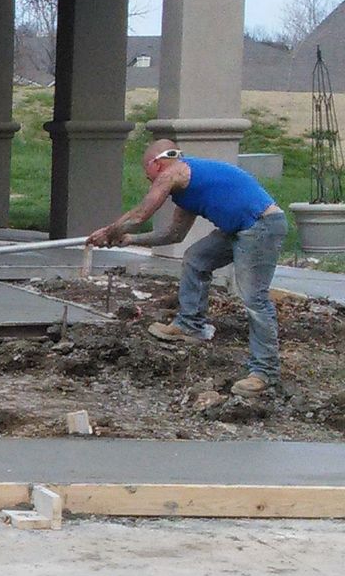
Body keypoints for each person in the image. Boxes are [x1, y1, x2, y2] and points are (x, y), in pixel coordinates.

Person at [87, 139, 288, 396]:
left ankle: (265, 372)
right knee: (196, 258)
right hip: (239, 228)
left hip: (262, 226)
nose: (148, 179)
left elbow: (140, 215)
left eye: (146, 171)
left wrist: (108, 232)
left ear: (157, 164)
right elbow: (174, 235)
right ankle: (190, 325)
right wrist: (130, 239)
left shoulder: (174, 171)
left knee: (254, 298)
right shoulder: (186, 191)